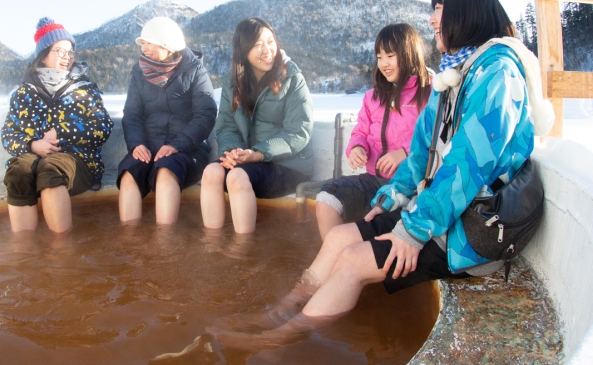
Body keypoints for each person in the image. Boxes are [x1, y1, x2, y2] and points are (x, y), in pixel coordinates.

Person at [212, 0, 553, 347]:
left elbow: (466, 168)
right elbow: (421, 156)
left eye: (439, 9)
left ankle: (281, 339)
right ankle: (283, 310)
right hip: (441, 210)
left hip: (474, 225)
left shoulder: (497, 75)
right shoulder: (457, 75)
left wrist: (413, 230)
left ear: (465, 14)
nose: (433, 20)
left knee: (353, 261)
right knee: (341, 236)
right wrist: (389, 198)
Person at [314, 23, 431, 238]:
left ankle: (357, 261)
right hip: (373, 179)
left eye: (390, 56)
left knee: (376, 223)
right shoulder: (373, 97)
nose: (384, 63)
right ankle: (336, 261)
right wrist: (357, 147)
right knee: (327, 197)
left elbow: (436, 138)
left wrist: (405, 153)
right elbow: (360, 132)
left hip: (410, 186)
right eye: (379, 57)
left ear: (409, 54)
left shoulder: (429, 93)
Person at [200, 17, 313, 234]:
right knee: (211, 172)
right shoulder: (234, 80)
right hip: (250, 161)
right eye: (257, 45)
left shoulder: (293, 78)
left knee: (236, 176)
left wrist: (258, 153)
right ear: (243, 51)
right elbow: (226, 125)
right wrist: (232, 152)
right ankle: (212, 248)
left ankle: (244, 253)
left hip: (289, 166)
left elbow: (298, 132)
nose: (267, 50)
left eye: (270, 41)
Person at [0, 17, 112, 233]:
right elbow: (8, 134)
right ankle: (24, 251)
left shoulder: (85, 90)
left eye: (70, 52)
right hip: (34, 156)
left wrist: (61, 133)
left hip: (78, 160)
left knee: (50, 168)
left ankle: (61, 251)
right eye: (60, 51)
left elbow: (103, 126)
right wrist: (33, 145)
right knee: (18, 171)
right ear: (43, 56)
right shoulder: (23, 94)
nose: (67, 58)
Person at [117, 17, 217, 225]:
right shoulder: (138, 72)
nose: (143, 48)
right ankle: (130, 242)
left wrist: (177, 145)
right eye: (142, 43)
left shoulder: (195, 70)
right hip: (148, 146)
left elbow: (205, 114)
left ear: (166, 43)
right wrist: (137, 144)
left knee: (165, 172)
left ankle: (165, 246)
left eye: (148, 42)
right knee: (129, 174)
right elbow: (132, 114)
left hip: (187, 149)